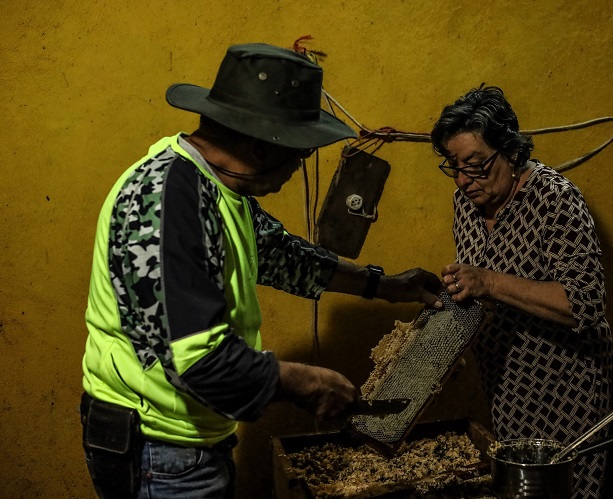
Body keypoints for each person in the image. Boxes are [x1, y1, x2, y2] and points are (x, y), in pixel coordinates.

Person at [80, 43, 442, 499]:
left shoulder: (215, 189)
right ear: (260, 144)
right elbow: (199, 362)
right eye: (300, 152)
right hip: (157, 449)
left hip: (185, 442)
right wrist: (304, 381)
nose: (300, 165)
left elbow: (283, 255)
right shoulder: (167, 200)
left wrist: (386, 286)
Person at [431, 86, 613, 499]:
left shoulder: (555, 199)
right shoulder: (466, 204)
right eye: (454, 167)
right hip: (507, 390)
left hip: (567, 389)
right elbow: (481, 294)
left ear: (512, 153)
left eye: (476, 165)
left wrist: (488, 281)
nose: (464, 180)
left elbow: (583, 305)